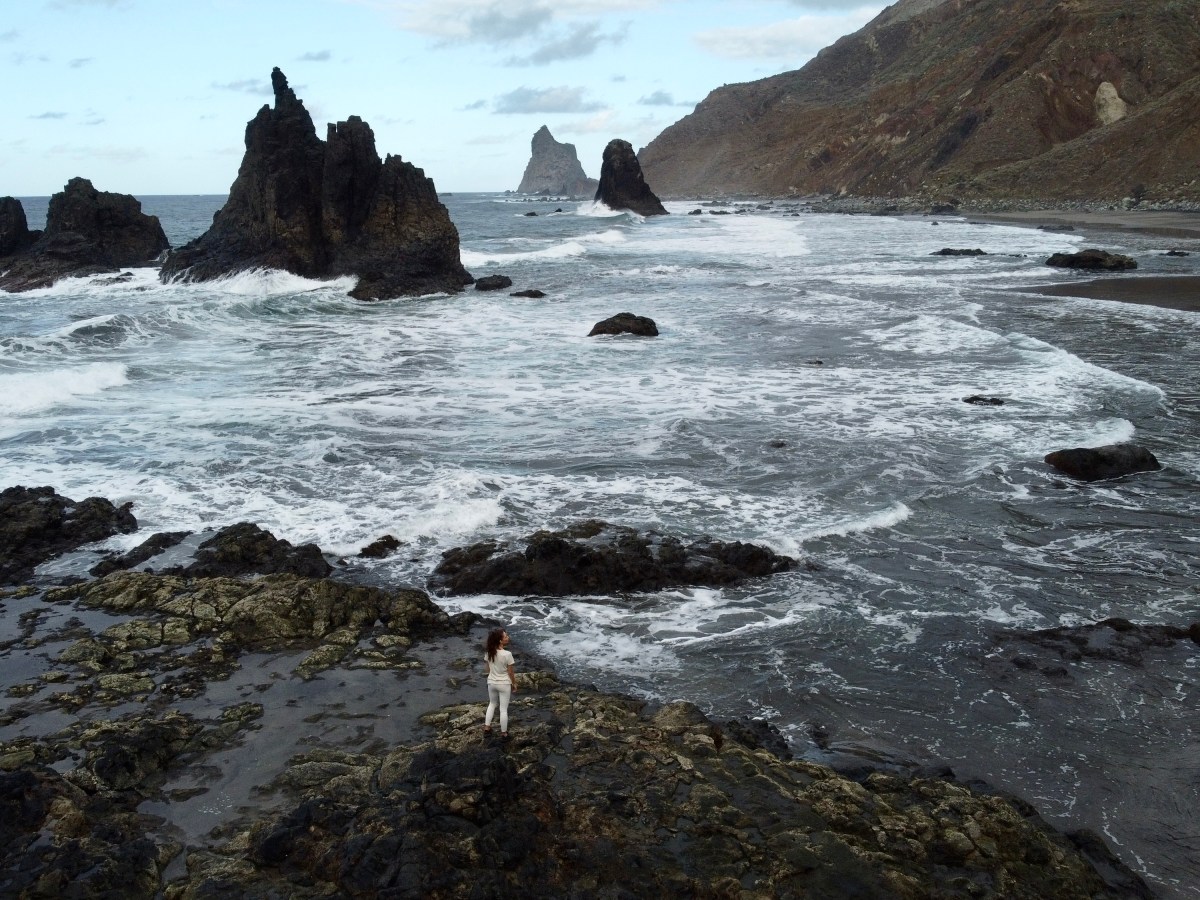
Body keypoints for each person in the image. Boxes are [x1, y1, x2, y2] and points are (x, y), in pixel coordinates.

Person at [483, 627, 517, 739]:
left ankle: (487, 727)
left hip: (491, 683)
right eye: (506, 636)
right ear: (500, 640)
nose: (508, 637)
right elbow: (510, 672)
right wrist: (514, 684)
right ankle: (504, 733)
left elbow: (487, 669)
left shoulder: (489, 652)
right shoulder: (507, 654)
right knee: (503, 709)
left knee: (492, 704)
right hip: (504, 684)